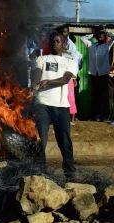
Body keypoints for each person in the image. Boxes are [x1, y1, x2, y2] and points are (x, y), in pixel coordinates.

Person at [32, 33, 78, 179]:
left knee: (65, 141)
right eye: (52, 41)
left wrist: (48, 82)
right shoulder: (41, 59)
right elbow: (37, 73)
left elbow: (65, 79)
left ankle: (69, 172)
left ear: (65, 44)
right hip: (42, 104)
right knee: (40, 140)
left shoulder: (70, 62)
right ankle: (40, 171)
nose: (54, 43)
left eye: (58, 41)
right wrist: (34, 83)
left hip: (61, 106)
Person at [81, 29, 114, 122]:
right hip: (94, 74)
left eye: (102, 35)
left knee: (104, 96)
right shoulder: (91, 45)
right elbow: (82, 38)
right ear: (96, 37)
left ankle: (104, 115)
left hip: (103, 74)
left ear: (105, 37)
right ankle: (95, 115)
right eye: (99, 35)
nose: (100, 36)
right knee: (95, 95)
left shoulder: (107, 46)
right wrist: (93, 34)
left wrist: (107, 33)